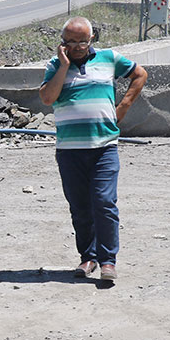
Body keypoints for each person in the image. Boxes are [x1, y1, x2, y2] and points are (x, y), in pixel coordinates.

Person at [39, 16, 148, 281]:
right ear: (62, 43)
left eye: (83, 41)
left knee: (104, 202)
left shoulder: (109, 58)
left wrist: (122, 107)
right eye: (71, 42)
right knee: (80, 206)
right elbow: (47, 98)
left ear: (92, 39)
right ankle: (88, 257)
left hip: (103, 147)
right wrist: (64, 66)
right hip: (69, 150)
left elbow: (140, 74)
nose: (78, 47)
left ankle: (107, 260)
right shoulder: (54, 66)